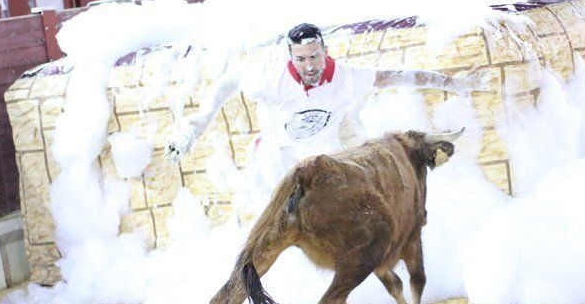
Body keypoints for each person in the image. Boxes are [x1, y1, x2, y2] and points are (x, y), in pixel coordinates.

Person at [166, 23, 484, 185]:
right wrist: (192, 130)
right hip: (276, 159)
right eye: (301, 58)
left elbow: (399, 76)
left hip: (323, 156)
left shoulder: (346, 78)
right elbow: (227, 83)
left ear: (325, 51)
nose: (310, 65)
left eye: (315, 56)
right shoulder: (271, 79)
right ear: (291, 57)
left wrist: (454, 84)